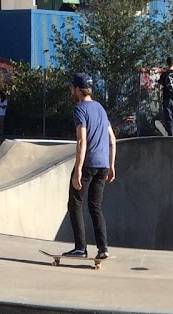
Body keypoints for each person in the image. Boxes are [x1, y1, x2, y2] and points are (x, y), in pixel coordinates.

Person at [61, 72, 116, 261]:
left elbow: (81, 140)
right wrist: (112, 165)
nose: (71, 90)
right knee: (95, 206)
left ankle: (80, 248)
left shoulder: (80, 109)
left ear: (77, 89)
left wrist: (77, 170)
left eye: (72, 88)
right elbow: (112, 139)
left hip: (89, 163)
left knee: (74, 203)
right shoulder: (100, 108)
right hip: (103, 165)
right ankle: (103, 248)